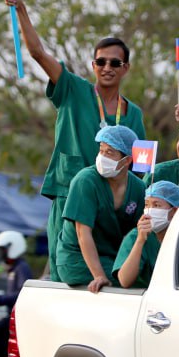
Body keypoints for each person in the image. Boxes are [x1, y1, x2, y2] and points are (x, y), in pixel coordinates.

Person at [5, 0, 145, 281]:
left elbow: (143, 168)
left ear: (125, 68)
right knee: (64, 268)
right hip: (69, 192)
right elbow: (37, 53)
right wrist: (21, 10)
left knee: (112, 272)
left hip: (111, 204)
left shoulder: (134, 114)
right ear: (93, 65)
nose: (107, 67)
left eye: (115, 63)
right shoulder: (73, 89)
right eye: (101, 62)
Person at [55, 125, 145, 292]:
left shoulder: (138, 188)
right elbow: (82, 232)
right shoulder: (85, 181)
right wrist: (99, 276)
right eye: (101, 150)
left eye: (109, 152)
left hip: (113, 258)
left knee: (147, 277)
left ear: (127, 160)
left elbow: (136, 234)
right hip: (77, 260)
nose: (102, 157)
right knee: (129, 282)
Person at [113, 181, 179, 289]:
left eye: (157, 205)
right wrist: (140, 241)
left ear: (174, 211)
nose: (150, 210)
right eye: (147, 204)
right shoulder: (135, 236)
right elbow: (124, 280)